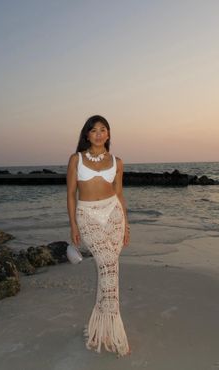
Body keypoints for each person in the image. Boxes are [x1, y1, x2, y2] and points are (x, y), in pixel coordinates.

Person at [66, 115, 131, 357]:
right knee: (108, 266)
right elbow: (71, 195)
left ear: (109, 134)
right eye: (94, 130)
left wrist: (127, 225)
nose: (99, 134)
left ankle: (101, 329)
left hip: (114, 216)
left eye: (103, 130)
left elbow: (120, 194)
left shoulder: (117, 162)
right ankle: (115, 334)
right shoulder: (76, 159)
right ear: (86, 135)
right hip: (88, 216)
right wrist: (74, 225)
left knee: (109, 270)